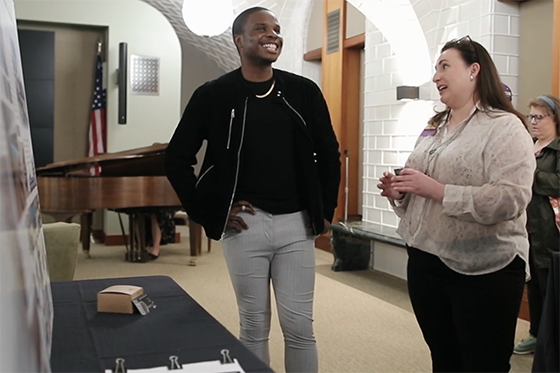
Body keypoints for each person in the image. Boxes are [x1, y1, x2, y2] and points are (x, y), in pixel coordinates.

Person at [164, 7, 341, 373]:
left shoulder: (303, 91)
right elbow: (177, 157)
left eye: (276, 29)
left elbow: (328, 154)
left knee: (299, 328)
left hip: (297, 225)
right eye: (261, 28)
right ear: (239, 40)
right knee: (254, 326)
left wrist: (326, 211)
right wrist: (208, 210)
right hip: (244, 227)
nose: (272, 34)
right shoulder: (214, 95)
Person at [377, 36, 535, 373]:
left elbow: (511, 198)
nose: (436, 76)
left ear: (474, 70)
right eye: (436, 68)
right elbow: (419, 181)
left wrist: (437, 190)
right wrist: (401, 192)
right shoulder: (434, 126)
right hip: (425, 260)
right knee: (444, 359)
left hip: (483, 269)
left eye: (445, 66)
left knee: (482, 364)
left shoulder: (505, 127)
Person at [514, 94, 560, 355]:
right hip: (526, 226)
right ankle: (536, 333)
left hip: (551, 229)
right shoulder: (526, 146)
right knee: (532, 283)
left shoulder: (557, 149)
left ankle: (550, 338)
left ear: (554, 119)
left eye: (539, 117)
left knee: (549, 282)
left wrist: (530, 174)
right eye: (530, 116)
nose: (533, 122)